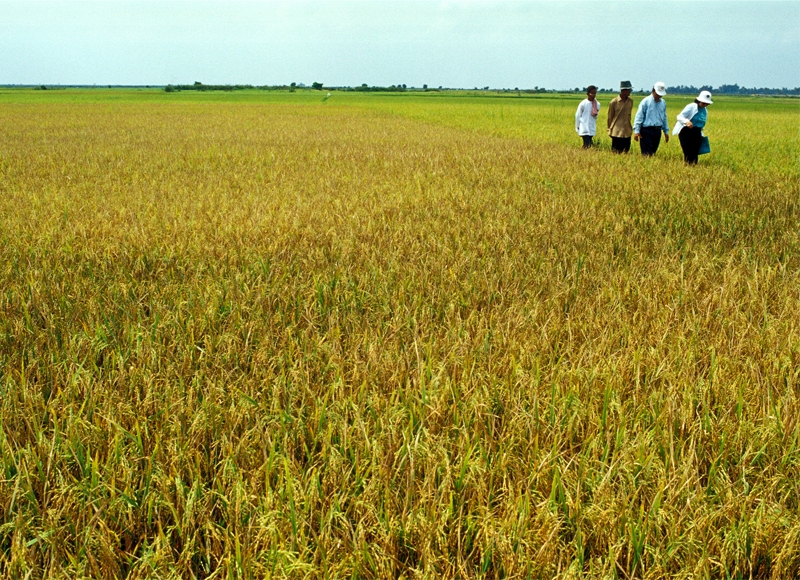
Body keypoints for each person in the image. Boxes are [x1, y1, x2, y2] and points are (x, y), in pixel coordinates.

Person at [673, 90, 713, 164]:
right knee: (688, 152)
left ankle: (694, 166)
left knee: (695, 152)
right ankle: (688, 166)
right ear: (699, 100)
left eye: (707, 104)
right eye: (703, 103)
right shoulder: (691, 106)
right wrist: (686, 121)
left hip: (697, 132)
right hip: (686, 131)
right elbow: (679, 116)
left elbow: (702, 123)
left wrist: (701, 133)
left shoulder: (705, 111)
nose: (705, 105)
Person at [633, 81, 670, 156]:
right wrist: (636, 131)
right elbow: (639, 116)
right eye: (658, 94)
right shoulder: (646, 101)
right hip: (646, 131)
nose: (660, 96)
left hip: (657, 131)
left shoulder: (663, 103)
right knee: (646, 154)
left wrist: (666, 131)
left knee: (653, 152)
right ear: (653, 90)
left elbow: (664, 117)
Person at [607, 80, 634, 153]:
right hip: (616, 132)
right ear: (624, 90)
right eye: (629, 90)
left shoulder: (630, 101)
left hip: (627, 131)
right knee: (616, 152)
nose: (630, 91)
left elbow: (629, 115)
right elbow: (610, 117)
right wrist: (609, 129)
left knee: (626, 151)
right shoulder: (614, 102)